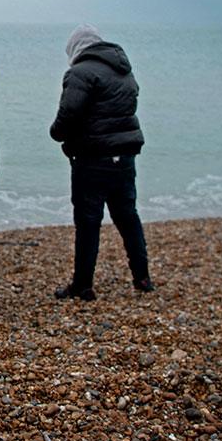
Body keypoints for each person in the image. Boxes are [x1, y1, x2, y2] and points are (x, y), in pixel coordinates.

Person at [50, 24, 153, 301]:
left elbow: (68, 113)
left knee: (88, 222)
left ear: (76, 49)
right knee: (127, 216)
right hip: (125, 157)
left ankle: (83, 284)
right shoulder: (124, 71)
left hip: (92, 158)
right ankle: (142, 277)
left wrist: (56, 133)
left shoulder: (79, 73)